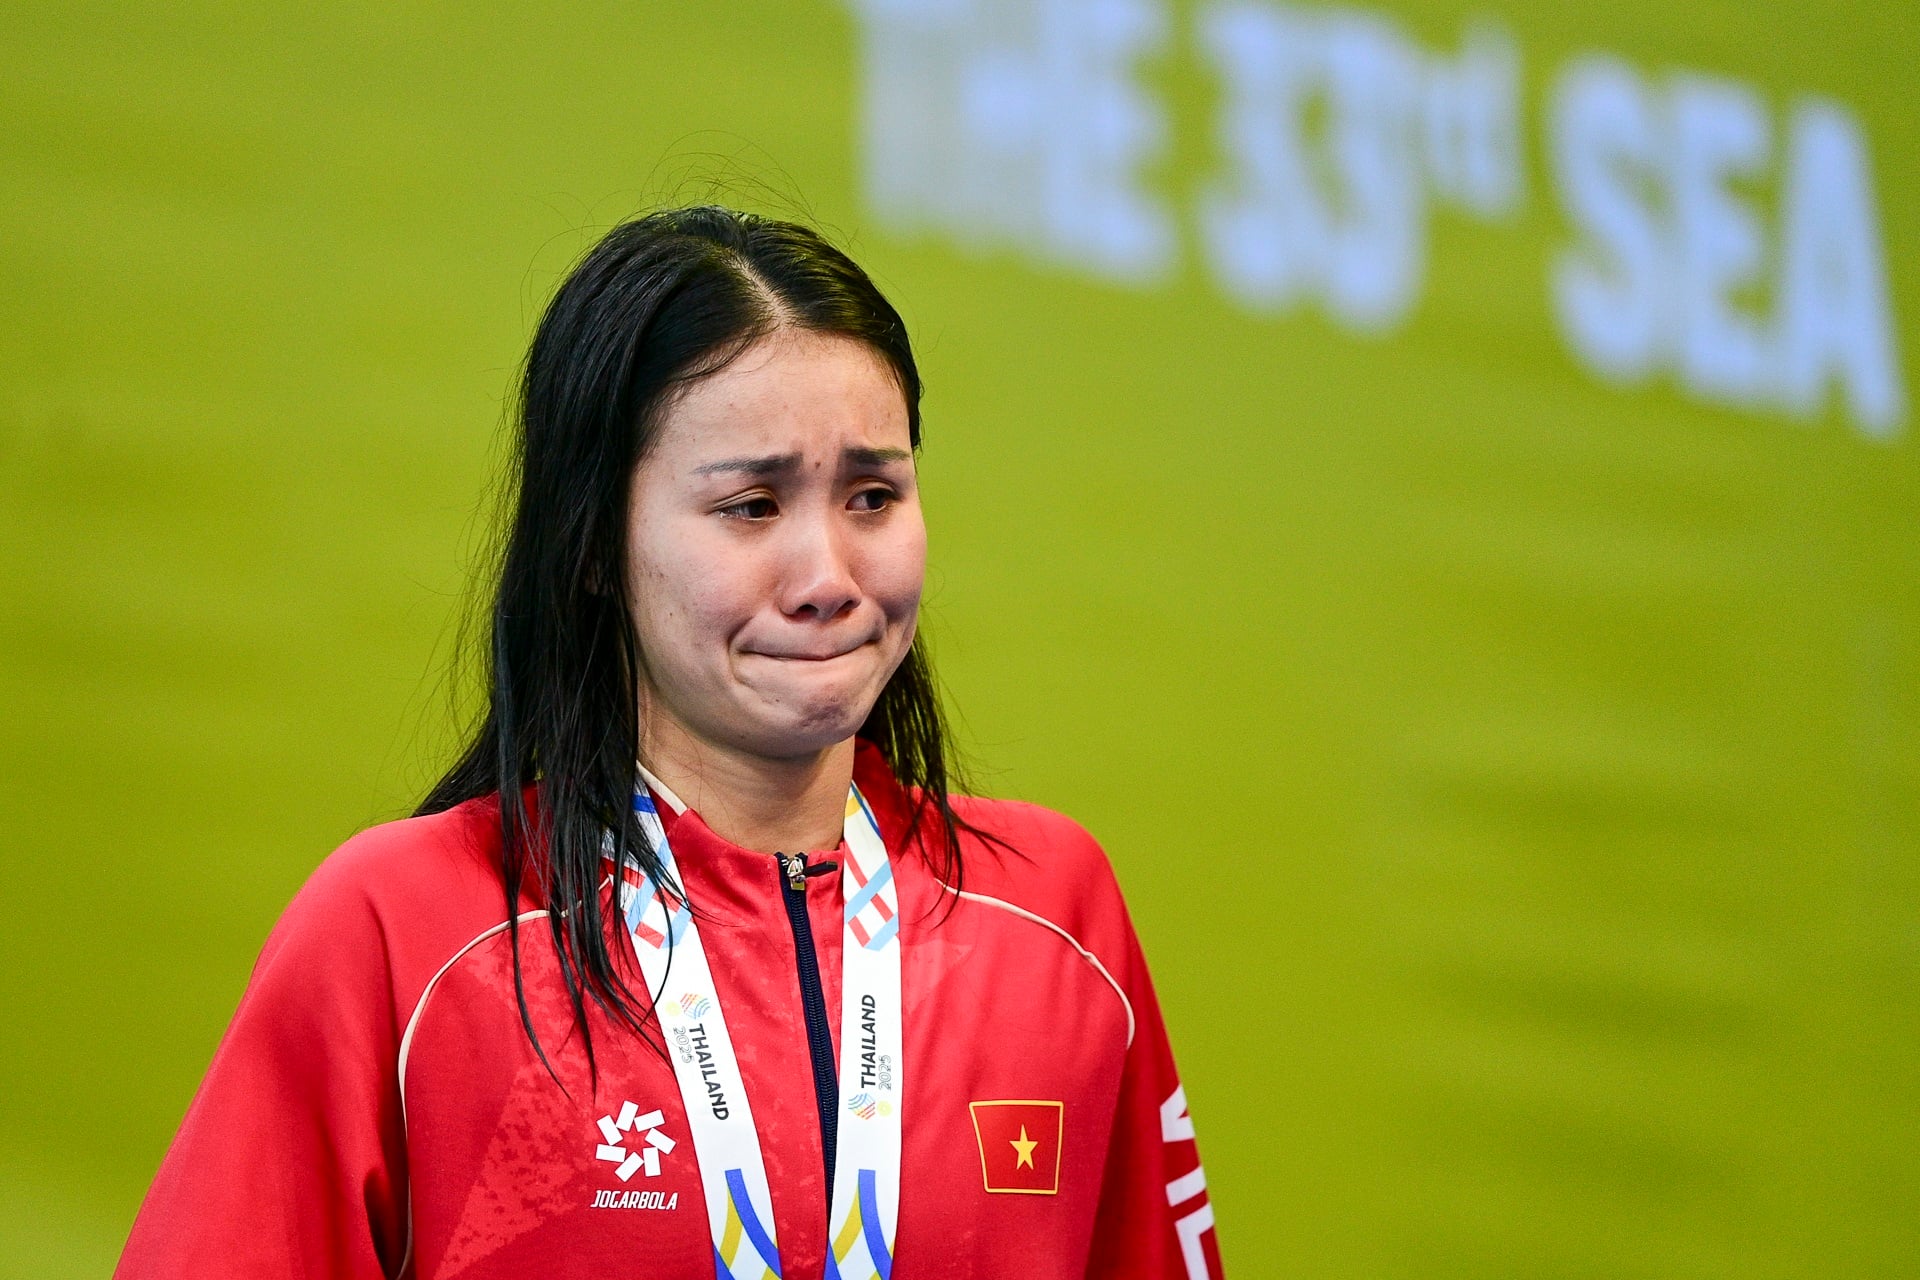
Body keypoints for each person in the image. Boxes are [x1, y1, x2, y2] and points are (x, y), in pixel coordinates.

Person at [115, 206, 1222, 1280]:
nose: (828, 577)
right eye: (751, 505)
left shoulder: (1055, 919)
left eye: (872, 496)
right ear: (594, 542)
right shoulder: (407, 935)